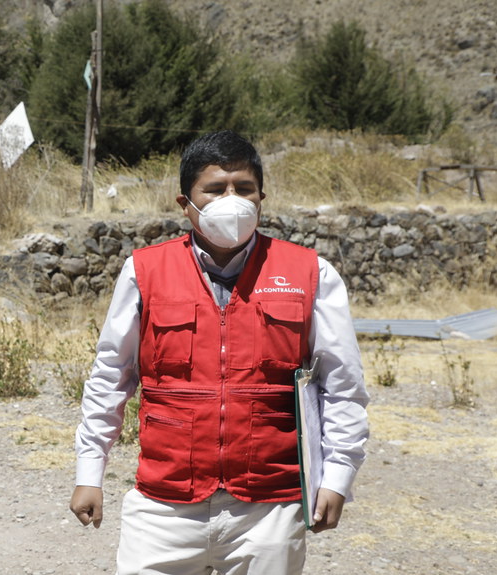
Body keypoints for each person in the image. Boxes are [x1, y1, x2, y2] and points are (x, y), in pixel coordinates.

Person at [69, 130, 369, 574]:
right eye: (215, 189)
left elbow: (342, 386)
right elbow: (111, 375)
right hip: (163, 506)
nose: (232, 200)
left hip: (269, 507)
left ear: (262, 197)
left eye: (243, 189)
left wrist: (337, 478)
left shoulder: (310, 273)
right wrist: (89, 473)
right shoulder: (144, 271)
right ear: (184, 203)